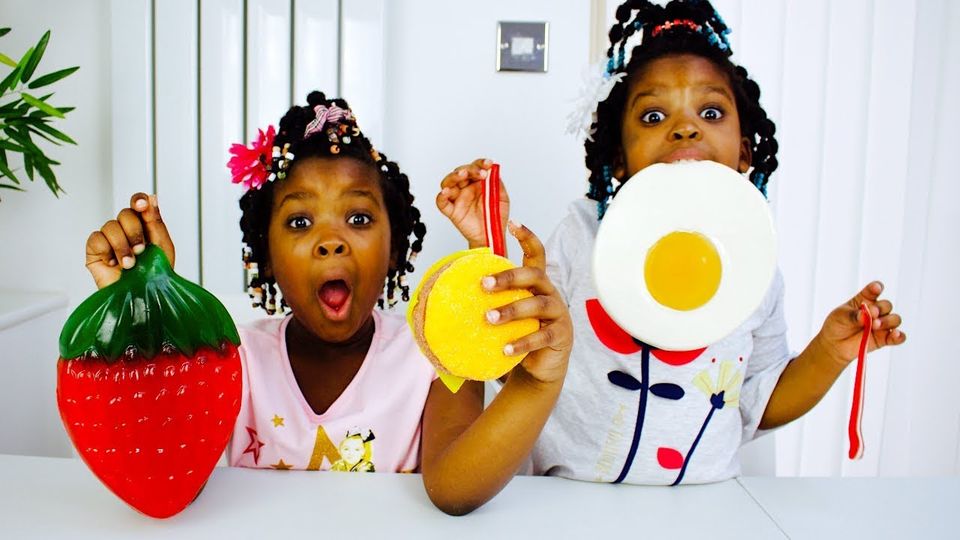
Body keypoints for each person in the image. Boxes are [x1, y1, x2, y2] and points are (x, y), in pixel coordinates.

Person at [437, 0, 905, 485]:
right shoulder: (579, 235)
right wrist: (486, 246)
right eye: (654, 115)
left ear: (744, 152)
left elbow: (759, 402)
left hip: (703, 507)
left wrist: (829, 352)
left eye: (710, 111)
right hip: (570, 497)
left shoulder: (752, 261)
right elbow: (515, 355)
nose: (685, 127)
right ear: (619, 158)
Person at [84, 91, 572, 514]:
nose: (331, 241)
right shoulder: (234, 358)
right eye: (300, 222)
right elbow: (169, 479)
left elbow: (454, 490)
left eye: (358, 218)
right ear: (266, 256)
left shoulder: (433, 353)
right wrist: (143, 310)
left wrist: (535, 384)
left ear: (394, 249)